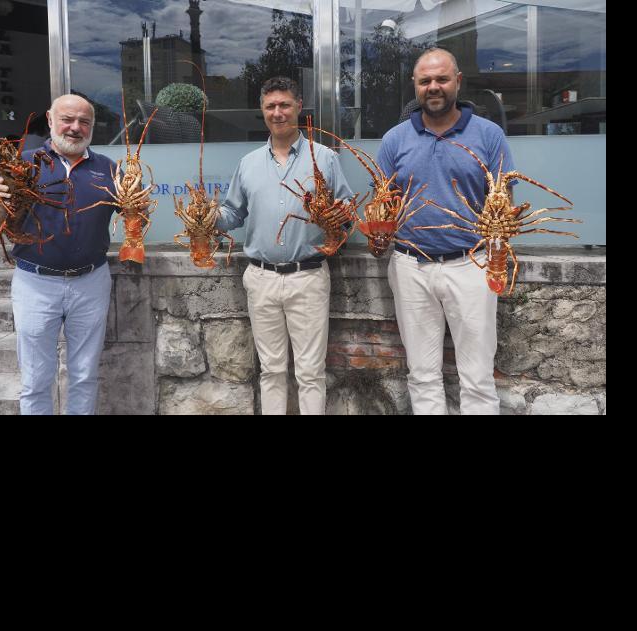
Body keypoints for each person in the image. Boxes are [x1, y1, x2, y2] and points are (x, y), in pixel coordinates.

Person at [377, 48, 514, 415]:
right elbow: (382, 203)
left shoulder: (489, 135)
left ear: (458, 81)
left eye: (441, 79)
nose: (433, 87)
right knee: (421, 374)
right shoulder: (393, 140)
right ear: (415, 86)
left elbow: (504, 201)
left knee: (478, 375)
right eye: (425, 81)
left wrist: (498, 258)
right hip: (410, 266)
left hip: (472, 262)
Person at [216, 77, 354, 415]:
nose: (278, 113)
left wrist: (339, 219)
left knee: (310, 372)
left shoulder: (324, 157)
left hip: (307, 276)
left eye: (285, 105)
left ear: (298, 107)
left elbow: (348, 211)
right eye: (270, 106)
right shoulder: (247, 163)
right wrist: (208, 216)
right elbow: (232, 213)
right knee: (271, 370)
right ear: (263, 111)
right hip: (260, 278)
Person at [0, 94, 117, 415]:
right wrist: (3, 205)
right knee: (35, 379)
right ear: (50, 119)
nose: (75, 128)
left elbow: (133, 212)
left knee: (84, 374)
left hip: (91, 280)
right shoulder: (21, 163)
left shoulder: (108, 168)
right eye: (67, 120)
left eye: (84, 122)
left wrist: (138, 207)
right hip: (34, 282)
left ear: (92, 127)